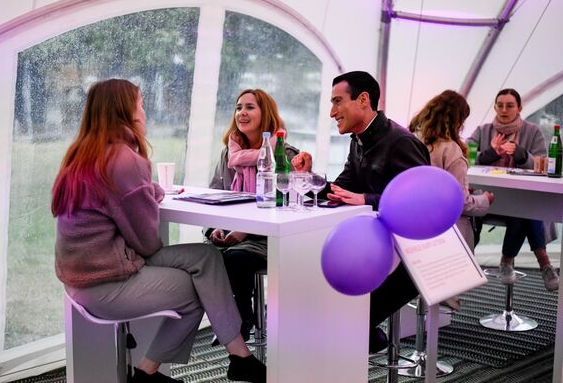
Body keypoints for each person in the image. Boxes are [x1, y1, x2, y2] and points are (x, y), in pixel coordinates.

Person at [52, 79, 265, 383]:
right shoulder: (124, 160)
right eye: (140, 105)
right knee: (200, 288)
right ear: (125, 111)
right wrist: (150, 195)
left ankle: (239, 355)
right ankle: (148, 373)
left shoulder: (80, 156)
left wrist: (147, 191)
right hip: (105, 282)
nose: (145, 112)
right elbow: (148, 243)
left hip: (85, 275)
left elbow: (122, 199)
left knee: (207, 258)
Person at [291, 71, 431, 353]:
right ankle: (366, 338)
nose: (332, 112)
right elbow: (341, 191)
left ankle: (365, 338)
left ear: (363, 100)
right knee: (327, 305)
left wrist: (366, 199)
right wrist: (308, 178)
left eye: (337, 102)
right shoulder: (358, 140)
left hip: (409, 260)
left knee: (345, 320)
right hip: (371, 251)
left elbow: (421, 203)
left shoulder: (401, 142)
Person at [206, 88, 299, 343]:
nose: (242, 113)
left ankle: (240, 322)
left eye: (249, 107)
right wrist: (216, 227)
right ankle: (234, 322)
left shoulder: (284, 154)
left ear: (265, 113)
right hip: (232, 233)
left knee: (234, 258)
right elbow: (214, 196)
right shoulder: (229, 154)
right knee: (204, 257)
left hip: (268, 238)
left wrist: (245, 230)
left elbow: (289, 206)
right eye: (238, 108)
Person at [468, 88, 559, 291]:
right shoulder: (483, 130)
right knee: (527, 209)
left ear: (519, 108)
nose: (504, 110)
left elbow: (543, 163)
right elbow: (467, 157)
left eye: (509, 105)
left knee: (523, 210)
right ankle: (542, 263)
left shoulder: (532, 131)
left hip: (517, 201)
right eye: (500, 105)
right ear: (494, 107)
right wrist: (491, 153)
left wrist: (522, 155)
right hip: (486, 198)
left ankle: (507, 261)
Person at [409, 90, 494, 250]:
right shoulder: (451, 151)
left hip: (415, 222)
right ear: (457, 121)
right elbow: (461, 204)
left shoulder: (411, 141)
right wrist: (485, 200)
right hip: (448, 231)